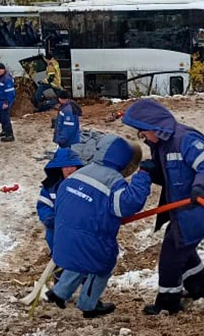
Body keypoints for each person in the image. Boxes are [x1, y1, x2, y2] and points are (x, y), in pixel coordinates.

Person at [121, 99, 204, 316]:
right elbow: (173, 174)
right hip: (185, 208)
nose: (143, 137)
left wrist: (201, 187)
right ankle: (201, 287)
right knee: (180, 243)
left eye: (143, 132)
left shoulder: (185, 139)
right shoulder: (161, 145)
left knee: (171, 253)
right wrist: (153, 172)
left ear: (154, 127)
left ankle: (168, 301)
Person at [45, 135, 152, 318]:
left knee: (79, 257)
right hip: (91, 241)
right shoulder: (113, 180)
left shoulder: (80, 172)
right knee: (101, 265)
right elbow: (127, 205)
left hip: (62, 239)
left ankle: (59, 292)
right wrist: (143, 176)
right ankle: (89, 305)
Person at [37, 147, 83, 254]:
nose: (70, 169)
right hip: (57, 228)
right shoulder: (51, 187)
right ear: (60, 168)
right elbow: (43, 205)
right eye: (66, 166)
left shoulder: (84, 186)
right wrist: (49, 218)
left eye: (73, 166)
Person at [0, 63, 16, 142]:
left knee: (6, 118)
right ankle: (4, 131)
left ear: (4, 70)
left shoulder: (7, 79)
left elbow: (10, 93)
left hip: (5, 101)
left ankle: (10, 135)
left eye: (0, 69)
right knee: (1, 117)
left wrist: (6, 102)